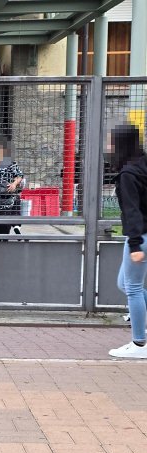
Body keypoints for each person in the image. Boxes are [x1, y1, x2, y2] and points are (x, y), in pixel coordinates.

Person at [107, 124, 147, 359]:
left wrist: (133, 245)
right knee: (126, 283)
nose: (109, 146)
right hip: (142, 235)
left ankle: (139, 343)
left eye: (112, 142)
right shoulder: (142, 165)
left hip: (139, 237)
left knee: (132, 287)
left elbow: (132, 212)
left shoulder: (128, 175)